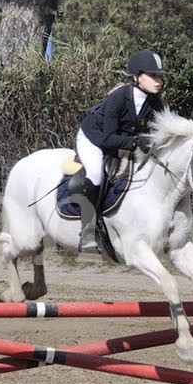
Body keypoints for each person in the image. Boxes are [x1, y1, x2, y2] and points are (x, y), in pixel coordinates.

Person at [70, 49, 167, 246]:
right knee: (96, 173)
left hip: (120, 142)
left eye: (160, 76)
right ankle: (88, 231)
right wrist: (135, 142)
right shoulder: (119, 98)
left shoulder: (155, 102)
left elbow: (167, 126)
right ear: (136, 77)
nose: (159, 80)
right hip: (94, 139)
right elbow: (108, 139)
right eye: (153, 75)